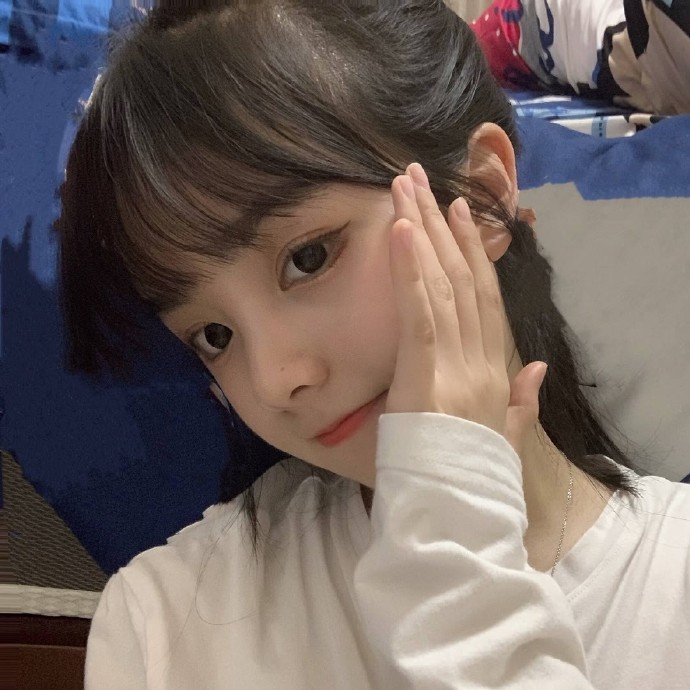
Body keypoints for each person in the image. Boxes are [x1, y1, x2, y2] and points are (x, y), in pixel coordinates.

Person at [56, 1, 690, 688]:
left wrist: (455, 553)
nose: (272, 380)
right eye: (214, 337)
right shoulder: (161, 624)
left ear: (481, 195)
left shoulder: (672, 581)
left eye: (308, 258)